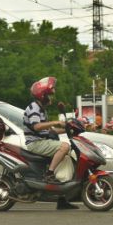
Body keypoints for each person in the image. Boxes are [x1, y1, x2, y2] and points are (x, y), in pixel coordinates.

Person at [23, 77, 77, 210]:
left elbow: (49, 130)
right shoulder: (34, 108)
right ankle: (49, 174)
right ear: (42, 95)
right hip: (35, 143)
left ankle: (62, 199)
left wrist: (68, 129)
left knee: (66, 158)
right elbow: (37, 127)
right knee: (65, 146)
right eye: (49, 95)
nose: (51, 98)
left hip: (43, 141)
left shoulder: (42, 110)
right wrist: (55, 122)